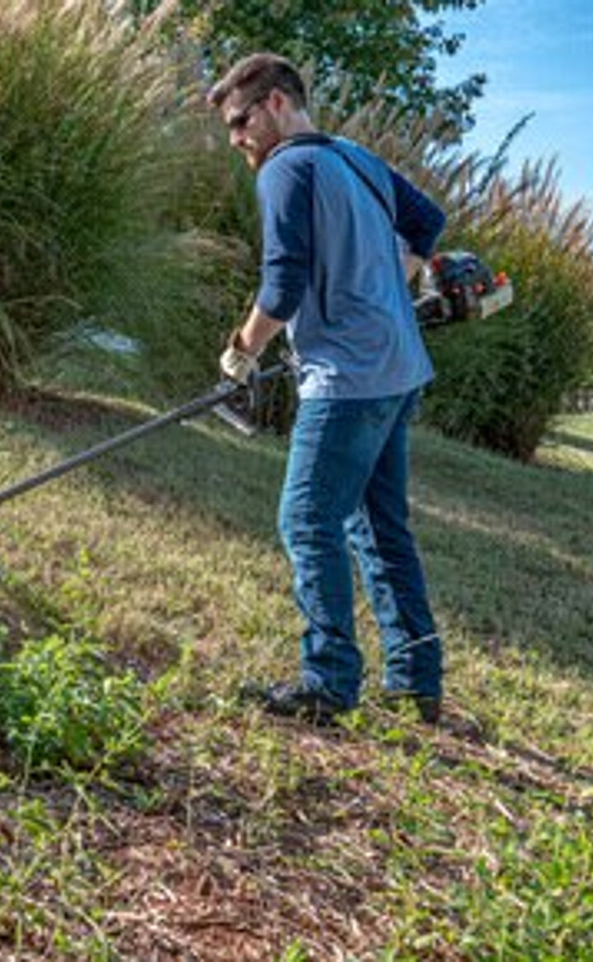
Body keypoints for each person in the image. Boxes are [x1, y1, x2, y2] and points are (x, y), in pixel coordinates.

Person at [209, 52, 446, 725]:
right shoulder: (356, 158)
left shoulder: (287, 168)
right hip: (398, 369)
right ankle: (417, 680)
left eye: (241, 121)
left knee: (307, 520)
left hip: (348, 379)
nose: (237, 139)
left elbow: (280, 288)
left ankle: (328, 680)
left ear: (278, 102)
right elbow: (428, 221)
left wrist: (240, 354)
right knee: (380, 526)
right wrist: (382, 283)